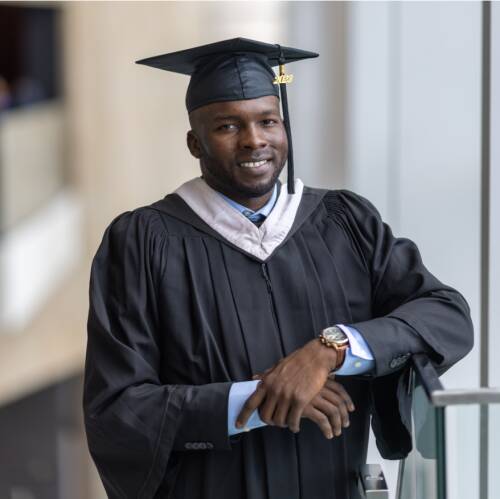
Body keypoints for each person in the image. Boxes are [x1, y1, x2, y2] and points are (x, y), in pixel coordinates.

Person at [83, 38, 474, 499]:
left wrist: (332, 350)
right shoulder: (142, 243)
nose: (254, 140)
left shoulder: (345, 223)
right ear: (195, 142)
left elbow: (446, 314)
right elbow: (117, 411)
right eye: (227, 125)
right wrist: (257, 400)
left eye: (267, 121)